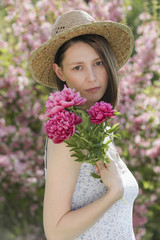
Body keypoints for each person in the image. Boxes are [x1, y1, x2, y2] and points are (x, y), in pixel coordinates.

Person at [29, 10, 139, 240]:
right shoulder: (68, 133)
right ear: (60, 72)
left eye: (98, 63)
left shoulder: (99, 129)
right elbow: (56, 232)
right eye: (77, 67)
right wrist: (113, 193)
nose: (92, 77)